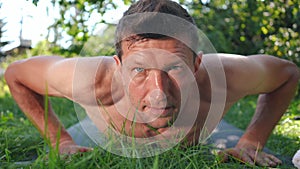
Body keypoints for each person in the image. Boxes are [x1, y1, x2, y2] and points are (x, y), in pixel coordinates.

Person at [4, 0, 300, 167]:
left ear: (197, 64)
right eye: (140, 70)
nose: (159, 92)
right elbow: (16, 74)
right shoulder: (90, 81)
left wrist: (252, 141)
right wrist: (62, 141)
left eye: (174, 68)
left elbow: (287, 74)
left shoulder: (224, 76)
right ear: (118, 67)